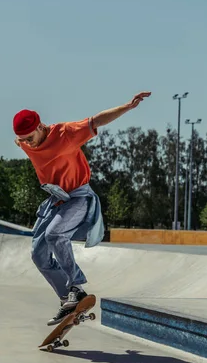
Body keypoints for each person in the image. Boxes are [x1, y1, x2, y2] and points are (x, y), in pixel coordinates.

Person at [13, 91, 151, 325]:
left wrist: (128, 106)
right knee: (38, 255)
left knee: (55, 234)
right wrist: (25, 141)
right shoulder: (24, 142)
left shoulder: (66, 134)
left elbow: (96, 121)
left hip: (78, 197)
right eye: (22, 140)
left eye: (29, 138)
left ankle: (76, 288)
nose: (26, 144)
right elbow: (24, 139)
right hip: (55, 201)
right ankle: (67, 299)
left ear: (40, 127)